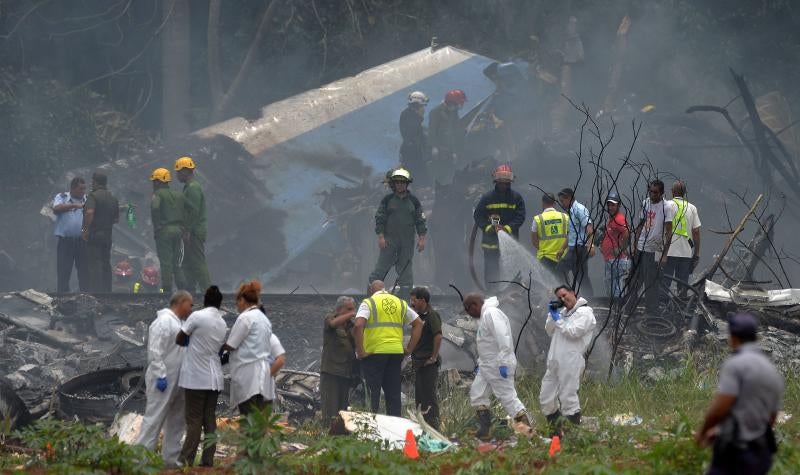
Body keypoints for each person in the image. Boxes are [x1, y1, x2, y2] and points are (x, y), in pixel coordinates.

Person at [695, 312, 784, 474]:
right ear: (755, 337)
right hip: (762, 452)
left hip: (736, 452)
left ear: (733, 338)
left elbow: (722, 406)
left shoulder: (736, 365)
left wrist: (704, 431)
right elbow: (771, 417)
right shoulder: (772, 370)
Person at [136, 290, 192, 468]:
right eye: (189, 305)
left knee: (176, 421)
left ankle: (171, 460)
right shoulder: (163, 322)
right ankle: (140, 460)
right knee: (154, 419)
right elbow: (155, 351)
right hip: (164, 380)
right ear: (181, 302)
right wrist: (161, 375)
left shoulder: (179, 323)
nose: (190, 309)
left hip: (178, 380)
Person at [464, 293, 531, 440]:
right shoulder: (484, 316)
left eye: (468, 310)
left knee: (508, 397)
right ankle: (485, 431)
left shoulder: (491, 314)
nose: (468, 313)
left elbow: (503, 338)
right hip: (487, 366)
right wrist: (480, 364)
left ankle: (527, 432)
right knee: (478, 393)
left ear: (474, 305)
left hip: (498, 365)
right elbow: (487, 344)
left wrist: (503, 362)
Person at [352, 280, 422, 417]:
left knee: (372, 393)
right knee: (393, 394)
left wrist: (360, 351)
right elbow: (418, 323)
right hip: (396, 353)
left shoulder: (369, 303)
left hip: (374, 353)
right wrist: (409, 349)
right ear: (385, 290)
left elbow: (358, 325)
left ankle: (370, 428)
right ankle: (394, 429)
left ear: (371, 291)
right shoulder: (400, 302)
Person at [175, 286, 227, 467]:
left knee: (194, 419)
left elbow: (179, 338)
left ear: (205, 300)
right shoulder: (222, 323)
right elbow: (220, 349)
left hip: (196, 377)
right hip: (215, 378)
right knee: (209, 419)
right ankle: (207, 460)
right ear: (220, 303)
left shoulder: (197, 316)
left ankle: (186, 460)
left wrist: (191, 340)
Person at [540, 285, 596, 436]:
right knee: (546, 399)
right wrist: (552, 314)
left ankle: (573, 436)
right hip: (554, 361)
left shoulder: (585, 312)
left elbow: (573, 332)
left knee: (568, 398)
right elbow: (549, 330)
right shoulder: (563, 313)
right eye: (559, 298)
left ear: (573, 293)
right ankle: (557, 433)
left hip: (571, 361)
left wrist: (558, 320)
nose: (563, 299)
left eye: (564, 295)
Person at [368, 168, 427, 296]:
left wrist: (422, 239)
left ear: (407, 184)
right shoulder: (387, 200)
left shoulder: (414, 201)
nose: (400, 185)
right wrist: (381, 237)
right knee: (380, 270)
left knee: (406, 272)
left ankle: (405, 301)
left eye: (402, 182)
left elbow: (420, 220)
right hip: (389, 242)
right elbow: (380, 219)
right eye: (397, 182)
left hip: (407, 242)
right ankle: (371, 298)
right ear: (394, 184)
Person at [223, 280, 273, 415]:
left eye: (237, 302)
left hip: (248, 377)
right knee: (260, 419)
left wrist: (216, 349)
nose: (237, 306)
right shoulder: (264, 319)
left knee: (248, 417)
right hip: (265, 376)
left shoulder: (245, 318)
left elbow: (231, 345)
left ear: (243, 300)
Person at [473, 164, 526, 288]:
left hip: (510, 242)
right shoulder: (487, 198)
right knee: (491, 270)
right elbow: (478, 216)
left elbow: (520, 217)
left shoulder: (516, 198)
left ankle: (514, 293)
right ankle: (492, 294)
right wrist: (488, 228)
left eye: (506, 183)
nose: (504, 185)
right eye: (501, 182)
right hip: (490, 243)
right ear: (496, 181)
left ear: (510, 182)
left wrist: (506, 228)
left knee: (513, 269)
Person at [628, 179, 677, 314]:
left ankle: (651, 313)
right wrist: (635, 244)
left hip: (654, 250)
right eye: (650, 191)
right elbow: (641, 224)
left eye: (655, 192)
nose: (652, 194)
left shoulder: (666, 207)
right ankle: (629, 309)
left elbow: (669, 232)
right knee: (634, 280)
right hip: (640, 248)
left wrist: (665, 254)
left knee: (651, 283)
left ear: (661, 193)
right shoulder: (646, 203)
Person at [320, 296, 357, 430]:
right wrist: (351, 315)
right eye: (349, 309)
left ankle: (341, 435)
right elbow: (332, 324)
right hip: (332, 371)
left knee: (343, 410)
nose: (353, 311)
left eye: (353, 309)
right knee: (331, 408)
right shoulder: (330, 318)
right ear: (340, 309)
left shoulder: (351, 325)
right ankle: (328, 435)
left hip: (346, 372)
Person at [175, 156, 211, 292]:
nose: (176, 174)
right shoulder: (188, 188)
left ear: (185, 171)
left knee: (197, 262)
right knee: (188, 262)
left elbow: (193, 212)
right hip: (192, 230)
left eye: (178, 171)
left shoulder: (193, 188)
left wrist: (187, 230)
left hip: (194, 231)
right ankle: (190, 290)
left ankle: (208, 292)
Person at [409, 287, 442, 429]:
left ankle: (434, 427)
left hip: (428, 363)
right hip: (419, 363)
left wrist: (433, 357)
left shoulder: (432, 315)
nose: (412, 303)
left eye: (414, 300)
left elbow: (438, 336)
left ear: (423, 300)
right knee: (420, 397)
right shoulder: (418, 317)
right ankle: (423, 427)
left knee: (429, 396)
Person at [81, 171, 119, 293]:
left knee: (95, 264)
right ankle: (107, 292)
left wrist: (85, 230)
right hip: (107, 236)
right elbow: (116, 219)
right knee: (106, 263)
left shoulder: (93, 196)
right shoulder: (113, 198)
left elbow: (89, 212)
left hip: (95, 235)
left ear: (95, 182)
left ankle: (96, 293)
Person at [150, 168, 186, 293]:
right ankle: (183, 290)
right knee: (177, 263)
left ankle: (166, 290)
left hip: (164, 231)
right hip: (178, 230)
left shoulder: (158, 194)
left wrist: (157, 225)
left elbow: (155, 208)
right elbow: (186, 211)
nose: (153, 184)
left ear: (159, 182)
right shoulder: (179, 194)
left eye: (154, 181)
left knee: (166, 262)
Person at [663, 180, 701, 298]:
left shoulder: (666, 205)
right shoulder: (692, 208)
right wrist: (697, 253)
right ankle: (682, 311)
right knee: (682, 285)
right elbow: (696, 232)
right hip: (685, 252)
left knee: (664, 283)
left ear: (672, 192)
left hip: (668, 251)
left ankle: (660, 309)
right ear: (684, 193)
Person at [556, 188, 594, 297]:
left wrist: (591, 246)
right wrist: (562, 249)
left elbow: (589, 228)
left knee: (573, 273)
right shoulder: (571, 212)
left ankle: (587, 299)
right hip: (573, 248)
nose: (562, 204)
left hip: (580, 248)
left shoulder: (579, 209)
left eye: (562, 201)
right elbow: (571, 234)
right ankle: (574, 295)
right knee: (578, 275)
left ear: (569, 198)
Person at [53, 177, 87, 292]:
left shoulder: (87, 199)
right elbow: (56, 209)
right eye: (80, 188)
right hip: (65, 242)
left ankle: (85, 296)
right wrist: (73, 206)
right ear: (72, 188)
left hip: (82, 242)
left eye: (84, 188)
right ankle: (62, 298)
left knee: (83, 272)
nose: (83, 191)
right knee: (63, 272)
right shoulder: (62, 197)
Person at [428, 89, 466, 183]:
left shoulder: (453, 112)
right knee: (441, 172)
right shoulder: (435, 112)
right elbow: (432, 131)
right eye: (458, 103)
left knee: (450, 171)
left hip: (450, 147)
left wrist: (454, 150)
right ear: (451, 102)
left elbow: (454, 129)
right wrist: (434, 147)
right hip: (440, 149)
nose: (459, 106)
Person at [600, 191, 630, 301]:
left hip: (617, 261)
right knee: (611, 288)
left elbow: (627, 232)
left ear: (619, 205)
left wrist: (621, 248)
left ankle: (618, 312)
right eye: (609, 204)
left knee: (616, 289)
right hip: (611, 260)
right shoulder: (611, 218)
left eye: (613, 205)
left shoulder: (619, 219)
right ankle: (616, 311)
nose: (610, 207)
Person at [531, 193, 569, 275]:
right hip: (562, 257)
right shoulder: (565, 217)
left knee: (547, 285)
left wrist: (544, 249)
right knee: (564, 284)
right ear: (555, 203)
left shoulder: (538, 219)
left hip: (545, 258)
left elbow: (534, 241)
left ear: (542, 203)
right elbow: (571, 237)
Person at [399, 91, 429, 176]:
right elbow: (414, 135)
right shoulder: (411, 118)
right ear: (417, 106)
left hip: (411, 150)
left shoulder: (408, 115)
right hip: (412, 153)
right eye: (422, 106)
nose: (424, 109)